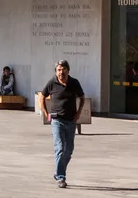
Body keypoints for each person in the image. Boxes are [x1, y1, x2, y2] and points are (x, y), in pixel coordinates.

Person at [40, 60, 85, 189]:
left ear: (68, 71)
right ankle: (61, 177)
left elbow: (82, 97)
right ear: (56, 71)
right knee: (59, 148)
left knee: (69, 149)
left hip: (71, 120)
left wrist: (78, 113)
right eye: (59, 70)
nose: (61, 72)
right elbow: (42, 96)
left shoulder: (74, 83)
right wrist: (45, 112)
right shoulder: (52, 82)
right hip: (57, 120)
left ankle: (58, 170)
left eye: (63, 69)